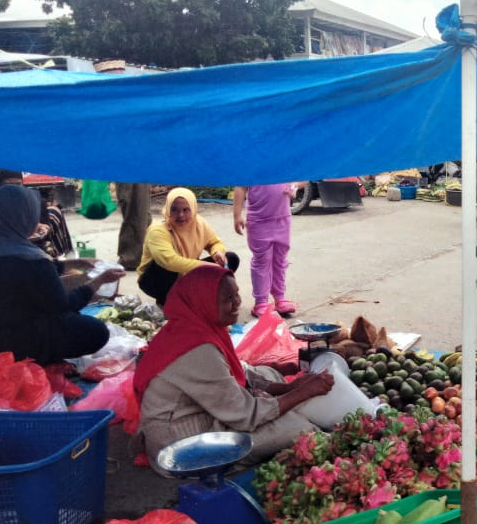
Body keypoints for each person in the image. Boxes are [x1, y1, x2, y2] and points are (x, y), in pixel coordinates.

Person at [132, 265, 335, 469]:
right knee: (296, 428)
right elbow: (245, 415)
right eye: (228, 299)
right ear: (205, 304)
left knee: (267, 373)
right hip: (180, 443)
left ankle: (281, 406)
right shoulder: (196, 350)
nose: (237, 303)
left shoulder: (194, 326)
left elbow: (238, 369)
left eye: (236, 294)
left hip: (199, 408)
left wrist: (288, 388)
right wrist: (303, 392)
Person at [0, 185, 125, 364]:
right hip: (13, 343)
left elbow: (24, 273)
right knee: (96, 330)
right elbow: (64, 304)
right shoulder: (31, 261)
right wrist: (99, 281)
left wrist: (74, 263)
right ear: (22, 218)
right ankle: (38, 359)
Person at [94, 59, 153, 270]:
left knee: (139, 210)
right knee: (133, 207)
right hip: (126, 161)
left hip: (136, 159)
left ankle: (136, 254)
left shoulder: (123, 99)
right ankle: (133, 255)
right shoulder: (110, 102)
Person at [137, 187, 240, 306]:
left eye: (186, 210)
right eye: (174, 210)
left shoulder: (199, 223)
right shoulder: (157, 231)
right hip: (154, 279)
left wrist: (217, 253)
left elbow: (214, 242)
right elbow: (170, 261)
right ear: (167, 209)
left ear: (193, 209)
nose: (181, 215)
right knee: (167, 267)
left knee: (230, 259)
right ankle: (166, 301)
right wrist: (206, 266)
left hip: (186, 273)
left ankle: (198, 295)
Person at [233, 183, 297, 318]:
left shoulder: (284, 163)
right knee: (262, 260)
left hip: (282, 219)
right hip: (259, 220)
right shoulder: (253, 164)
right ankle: (261, 302)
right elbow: (241, 186)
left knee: (279, 260)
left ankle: (280, 298)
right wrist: (237, 215)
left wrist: (294, 186)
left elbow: (303, 177)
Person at [0, 169, 75, 258]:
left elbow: (45, 226)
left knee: (55, 212)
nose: (13, 189)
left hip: (33, 245)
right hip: (3, 249)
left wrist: (40, 227)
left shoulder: (34, 201)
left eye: (18, 184)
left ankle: (64, 254)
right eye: (8, 185)